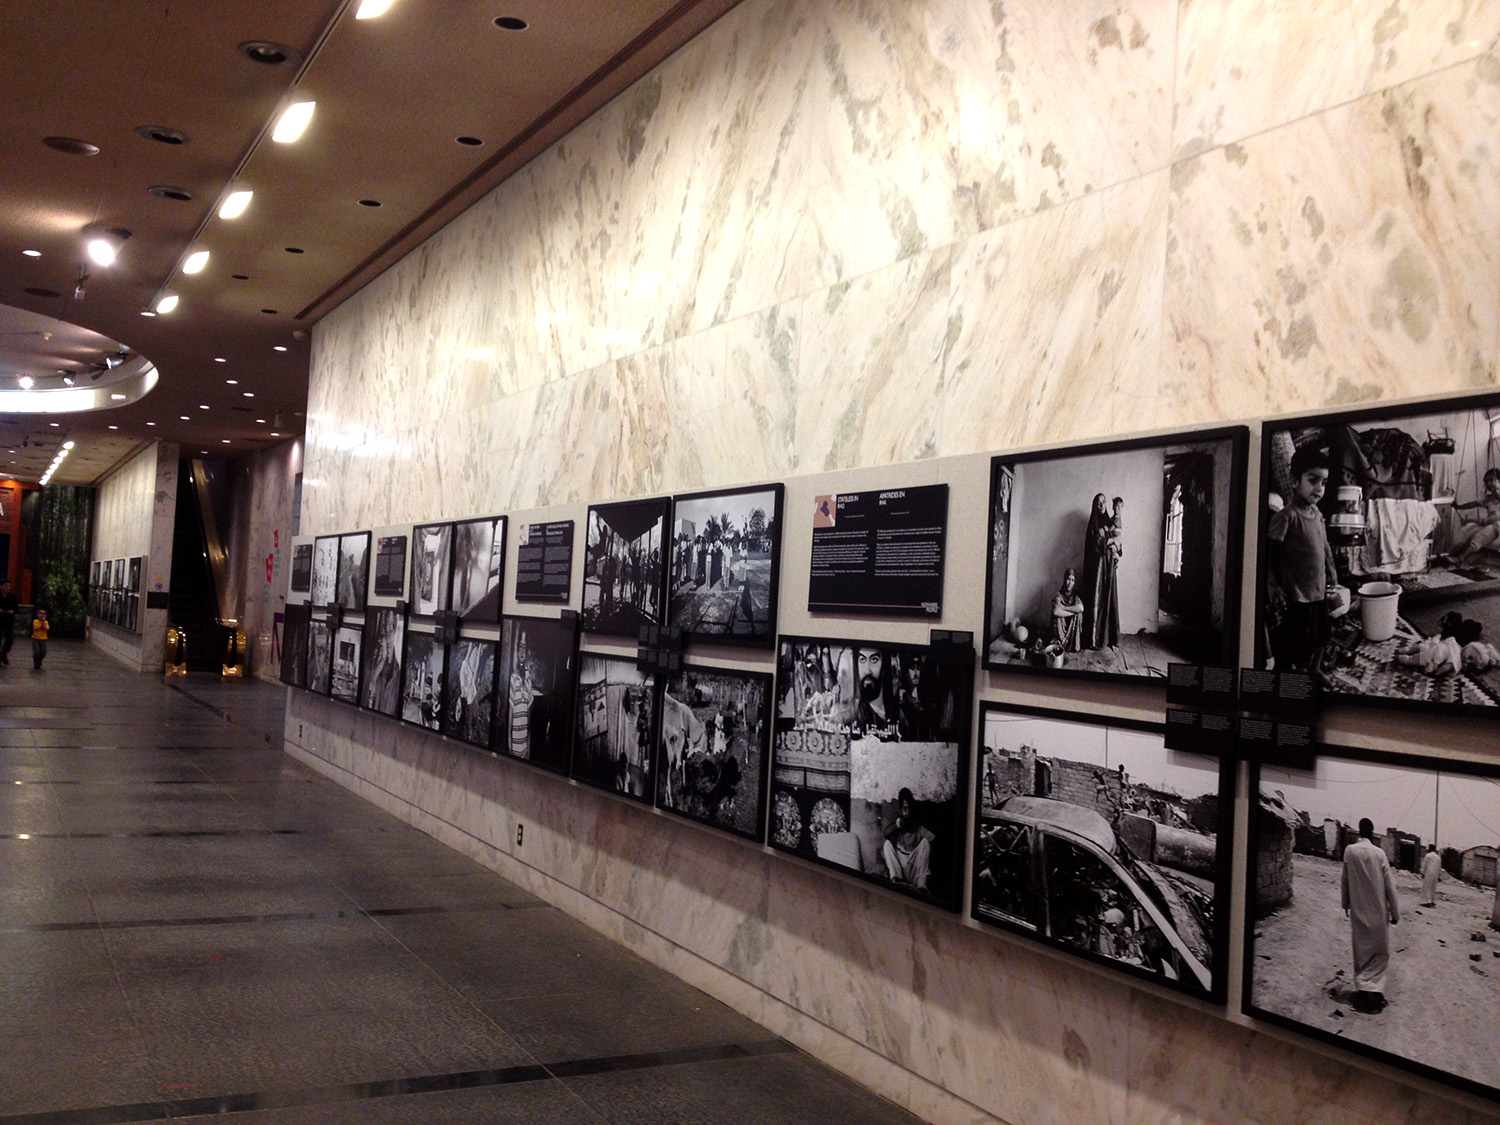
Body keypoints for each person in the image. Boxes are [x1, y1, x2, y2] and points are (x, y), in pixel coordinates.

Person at [1266, 447, 1339, 673]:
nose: (1319, 488)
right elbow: (1270, 553)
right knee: (1297, 640)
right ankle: (1294, 675)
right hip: (1297, 594)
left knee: (1323, 634)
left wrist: (1331, 569)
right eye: (1313, 479)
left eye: (1324, 482)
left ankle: (1315, 670)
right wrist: (1272, 584)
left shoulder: (1317, 514)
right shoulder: (1286, 517)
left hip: (1318, 590)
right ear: (1295, 481)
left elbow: (1324, 545)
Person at [1341, 818, 1399, 1013]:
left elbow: (1345, 880)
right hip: (1379, 912)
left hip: (1359, 911)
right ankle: (1374, 990)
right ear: (1373, 832)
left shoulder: (1350, 851)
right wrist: (1396, 913)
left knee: (1361, 951)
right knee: (1380, 953)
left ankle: (1364, 990)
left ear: (1359, 831)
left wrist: (1345, 904)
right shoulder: (1380, 854)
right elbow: (1390, 886)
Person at [1081, 493, 1120, 649]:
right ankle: (1095, 639)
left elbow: (1118, 540)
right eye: (1098, 502)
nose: (1101, 505)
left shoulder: (1110, 522)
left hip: (1109, 568)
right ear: (1094, 506)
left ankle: (1110, 638)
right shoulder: (1093, 525)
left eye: (1103, 502)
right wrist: (1111, 541)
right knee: (1097, 601)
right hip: (1096, 569)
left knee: (1109, 599)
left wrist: (1117, 548)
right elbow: (1096, 543)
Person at [881, 788, 934, 891]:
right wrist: (898, 824)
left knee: (925, 843)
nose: (907, 811)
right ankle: (896, 879)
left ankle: (921, 886)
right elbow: (885, 833)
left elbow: (934, 841)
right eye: (905, 808)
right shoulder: (897, 824)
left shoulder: (918, 826)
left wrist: (928, 867)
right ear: (901, 809)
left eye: (909, 808)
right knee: (887, 844)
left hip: (914, 868)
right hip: (900, 867)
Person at [1446, 467, 1500, 562]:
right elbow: (1473, 504)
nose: (1488, 484)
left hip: (1497, 526)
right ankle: (1449, 556)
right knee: (1469, 534)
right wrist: (1458, 506)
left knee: (1480, 536)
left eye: (1491, 480)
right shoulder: (1488, 498)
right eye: (1486, 482)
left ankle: (1461, 558)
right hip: (1488, 523)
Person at [1050, 567, 1085, 653]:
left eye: (1072, 580)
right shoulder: (1059, 594)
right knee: (1057, 617)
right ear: (1065, 580)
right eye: (1068, 579)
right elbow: (1055, 611)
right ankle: (1060, 642)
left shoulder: (1075, 595)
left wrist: (1064, 608)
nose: (1070, 583)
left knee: (1078, 615)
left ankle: (1073, 645)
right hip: (1061, 624)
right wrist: (1072, 612)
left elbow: (1081, 608)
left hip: (1071, 625)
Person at [0, 580, 17, 665]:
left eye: (9, 586)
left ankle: (3, 653)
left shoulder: (12, 596)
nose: (8, 588)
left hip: (8, 620)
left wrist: (12, 611)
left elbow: (16, 608)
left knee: (9, 639)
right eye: (6, 586)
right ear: (1, 586)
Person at [1420, 843, 1441, 907]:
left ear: (1430, 849)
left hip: (1428, 873)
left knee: (1427, 887)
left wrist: (1423, 873)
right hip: (1436, 874)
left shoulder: (1428, 856)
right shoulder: (1438, 857)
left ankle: (1427, 901)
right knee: (1433, 888)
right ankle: (1432, 901)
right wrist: (1439, 876)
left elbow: (1424, 864)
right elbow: (1440, 867)